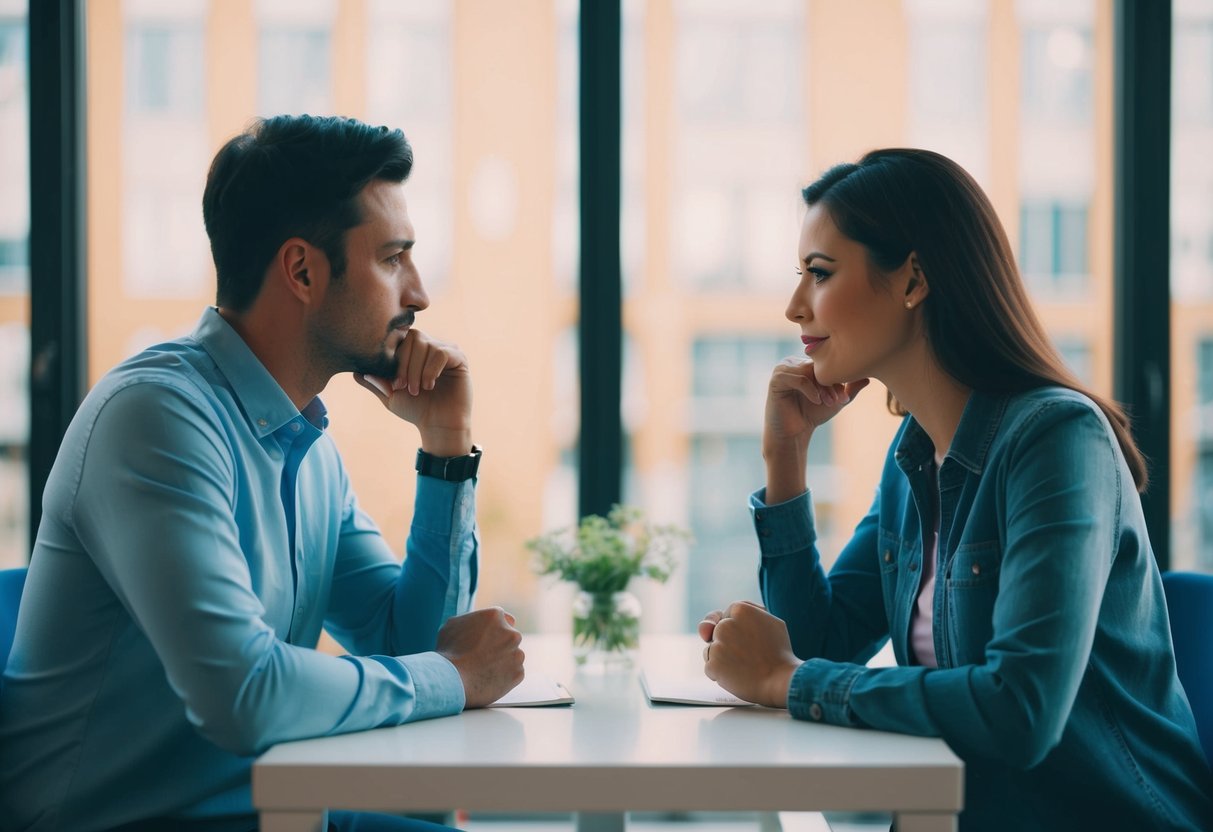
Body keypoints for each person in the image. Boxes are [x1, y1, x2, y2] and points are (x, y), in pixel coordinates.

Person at [0, 115, 525, 832]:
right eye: (393, 258)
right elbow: (243, 695)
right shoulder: (156, 421)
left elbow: (415, 641)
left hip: (267, 810)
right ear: (303, 271)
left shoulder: (305, 444)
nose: (420, 294)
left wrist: (445, 445)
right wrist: (455, 676)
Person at [697, 148, 1213, 831]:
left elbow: (1019, 711)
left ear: (912, 278)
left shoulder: (1057, 440)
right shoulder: (911, 457)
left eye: (819, 274)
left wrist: (781, 679)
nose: (795, 305)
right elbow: (820, 644)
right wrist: (784, 458)